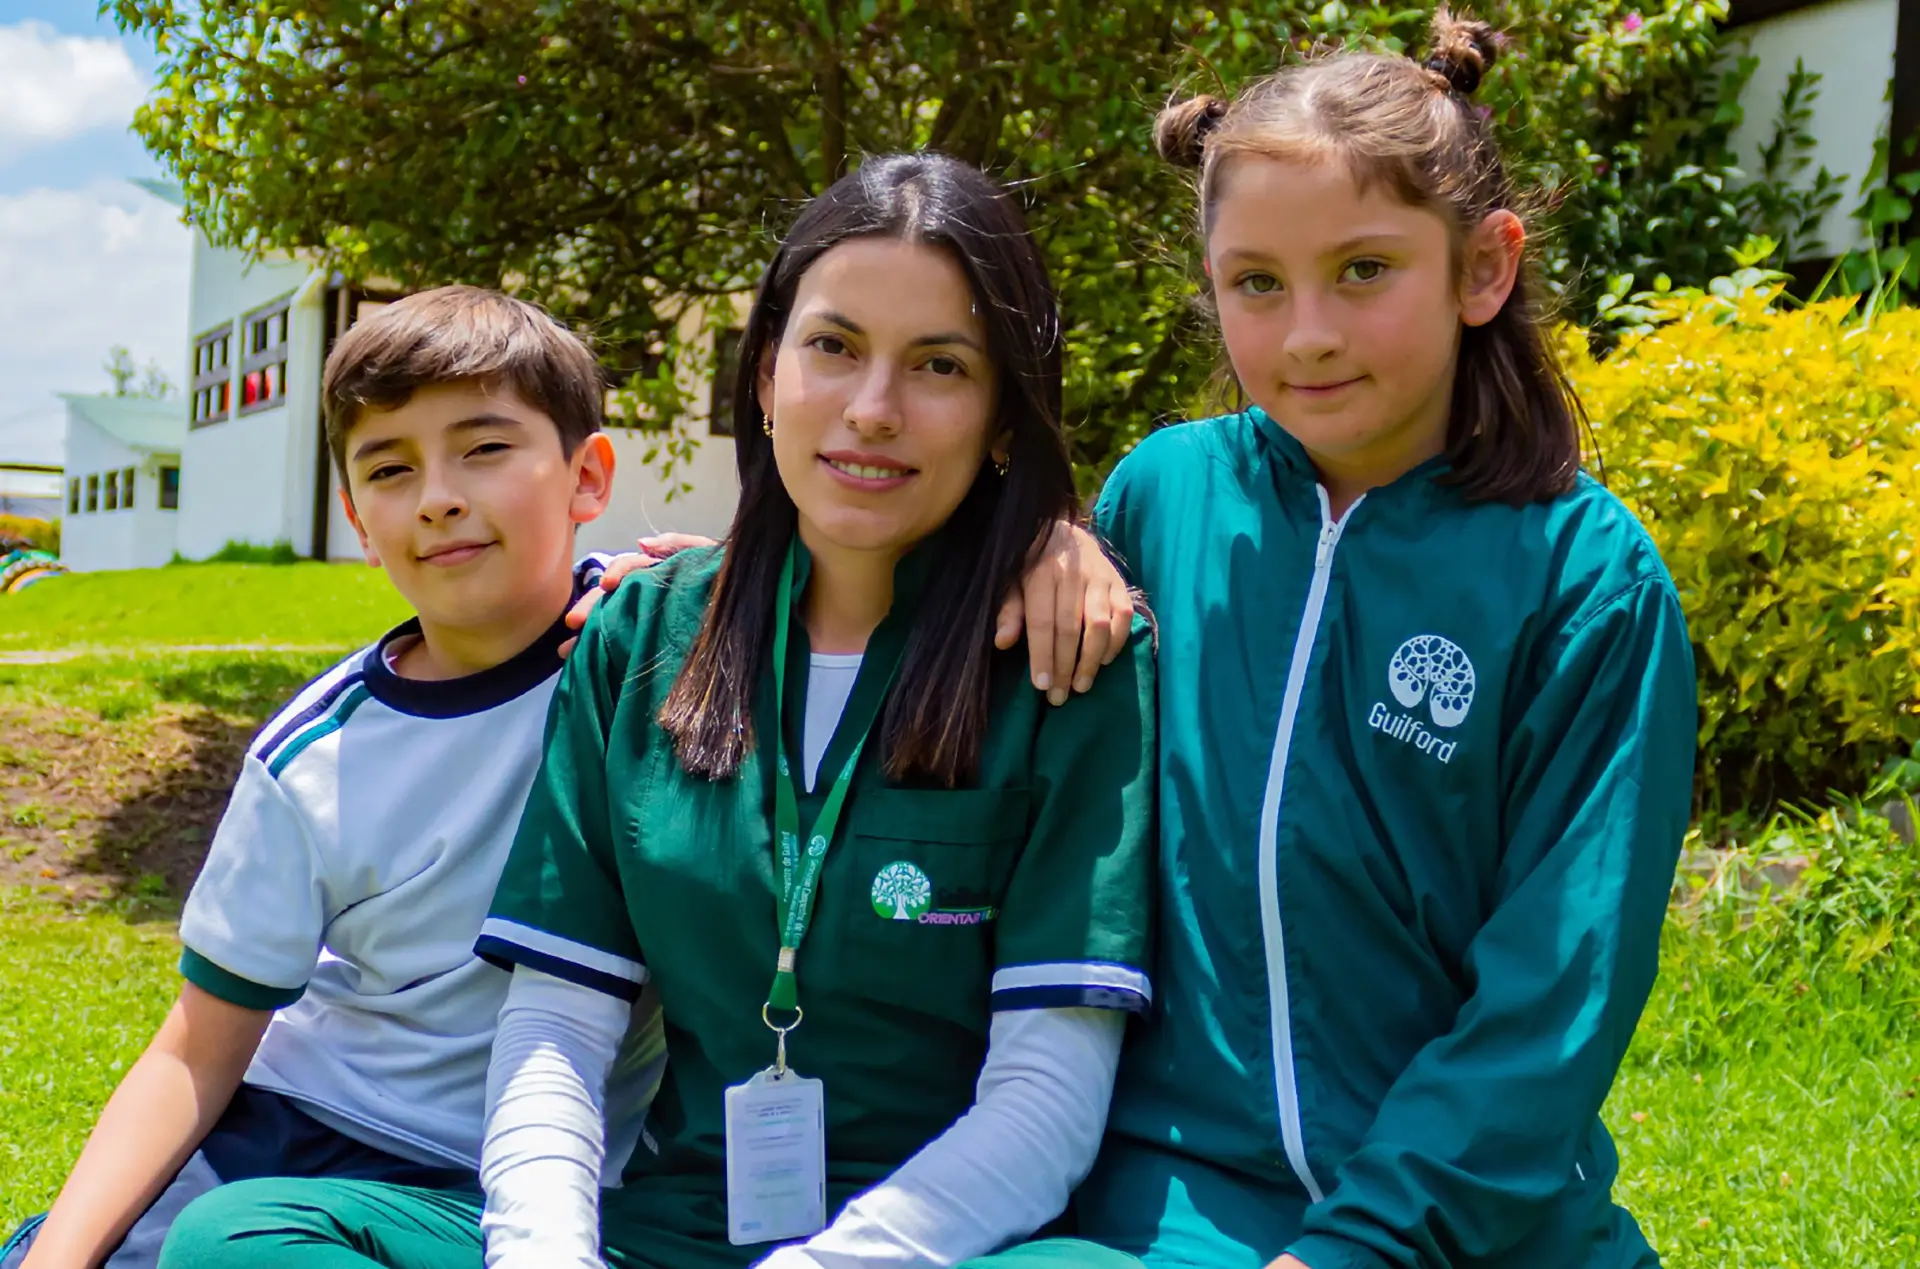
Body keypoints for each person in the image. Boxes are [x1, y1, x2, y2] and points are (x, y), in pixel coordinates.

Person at [157, 153, 1157, 1269]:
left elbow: (1049, 1100)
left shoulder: (1071, 660)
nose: (873, 411)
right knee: (245, 1239)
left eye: (940, 365)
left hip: (958, 1246)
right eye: (832, 348)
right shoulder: (638, 640)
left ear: (1002, 411)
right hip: (668, 1233)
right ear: (767, 374)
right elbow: (555, 1029)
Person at [968, 11, 1698, 1269]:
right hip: (1176, 1211)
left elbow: (1554, 996)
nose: (1305, 332)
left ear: (1484, 268)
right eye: (1256, 282)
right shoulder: (1159, 500)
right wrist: (1039, 541)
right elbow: (915, 623)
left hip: (1481, 1228)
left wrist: (1360, 1246)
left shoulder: (1587, 578)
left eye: (1364, 270)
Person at [1, 286, 671, 1269]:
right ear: (359, 520)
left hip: (538, 1176)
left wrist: (718, 576)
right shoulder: (315, 758)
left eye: (484, 449)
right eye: (391, 470)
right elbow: (199, 1044)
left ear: (587, 474)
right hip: (305, 1123)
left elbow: (839, 602)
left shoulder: (660, 637)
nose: (439, 495)